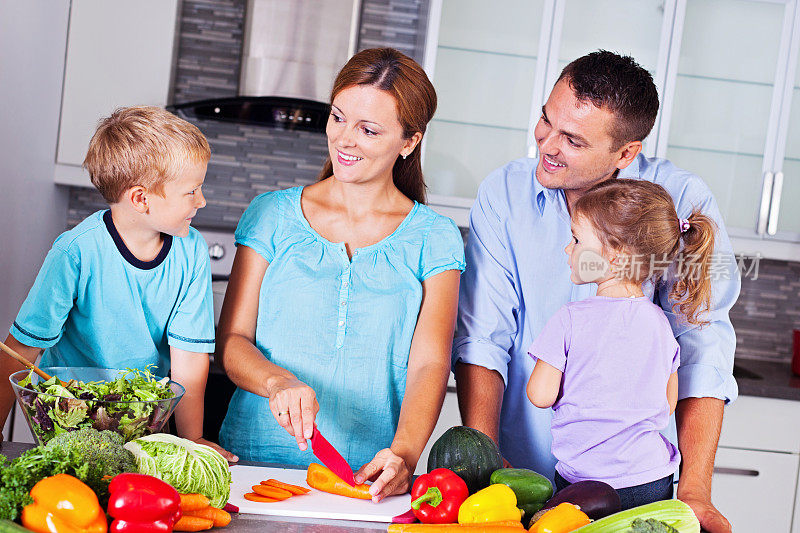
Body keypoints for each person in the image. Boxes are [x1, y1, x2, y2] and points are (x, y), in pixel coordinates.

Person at [453, 50, 738, 532]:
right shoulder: (503, 194)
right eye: (546, 120)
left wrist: (694, 490)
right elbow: (484, 337)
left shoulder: (682, 200)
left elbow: (701, 348)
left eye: (573, 140)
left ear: (625, 153)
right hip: (521, 472)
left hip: (633, 483)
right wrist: (487, 472)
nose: (547, 144)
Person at [217, 47, 465, 501]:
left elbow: (430, 363)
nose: (344, 140)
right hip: (252, 466)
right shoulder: (271, 215)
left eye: (368, 130)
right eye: (338, 118)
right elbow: (232, 342)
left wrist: (404, 456)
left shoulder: (434, 237)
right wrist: (278, 382)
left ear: (409, 141)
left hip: (366, 477)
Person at [0, 106, 235, 460]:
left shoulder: (192, 252)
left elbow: (189, 360)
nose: (201, 201)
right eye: (192, 191)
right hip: (68, 423)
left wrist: (191, 440)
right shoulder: (75, 252)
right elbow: (20, 351)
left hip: (144, 424)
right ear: (141, 199)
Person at [527, 178, 718, 510]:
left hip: (586, 482)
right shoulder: (660, 323)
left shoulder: (570, 318)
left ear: (614, 255)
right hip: (650, 478)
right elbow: (667, 402)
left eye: (576, 239)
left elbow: (540, 395)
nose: (567, 249)